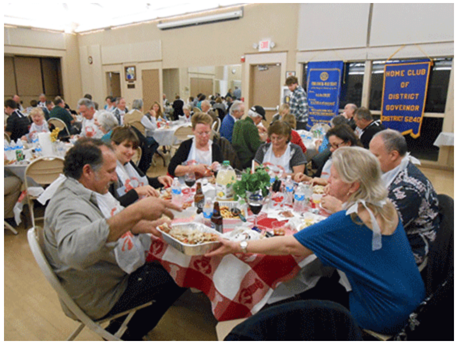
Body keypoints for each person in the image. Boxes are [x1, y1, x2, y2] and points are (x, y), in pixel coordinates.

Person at [207, 147, 425, 335]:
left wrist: (237, 245)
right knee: (320, 281)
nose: (328, 180)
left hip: (381, 312)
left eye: (335, 177)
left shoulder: (350, 221)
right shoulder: (383, 205)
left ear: (354, 186)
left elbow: (288, 245)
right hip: (412, 300)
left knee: (303, 305)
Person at [42, 138, 186, 341]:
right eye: (110, 171)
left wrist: (140, 225)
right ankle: (125, 333)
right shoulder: (68, 205)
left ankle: (128, 327)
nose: (114, 178)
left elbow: (101, 223)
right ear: (87, 171)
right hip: (98, 293)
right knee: (178, 272)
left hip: (101, 277)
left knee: (167, 262)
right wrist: (133, 213)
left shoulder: (85, 190)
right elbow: (74, 253)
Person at [369, 129, 440, 267]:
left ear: (393, 155)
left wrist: (339, 208)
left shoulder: (409, 187)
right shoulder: (391, 170)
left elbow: (379, 228)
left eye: (375, 156)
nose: (370, 161)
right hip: (396, 237)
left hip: (409, 250)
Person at [109, 126, 172, 207]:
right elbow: (111, 205)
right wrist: (136, 192)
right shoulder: (107, 169)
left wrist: (158, 180)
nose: (131, 152)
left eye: (134, 148)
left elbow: (143, 181)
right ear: (113, 145)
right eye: (126, 146)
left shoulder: (127, 162)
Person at [294, 124, 362, 184]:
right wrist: (307, 178)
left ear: (348, 143)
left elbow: (349, 186)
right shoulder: (329, 157)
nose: (331, 149)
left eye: (335, 145)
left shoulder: (357, 163)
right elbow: (317, 178)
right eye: (330, 145)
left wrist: (325, 182)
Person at [168, 113, 223, 178]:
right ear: (193, 130)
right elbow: (172, 169)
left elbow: (222, 172)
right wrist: (194, 168)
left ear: (211, 130)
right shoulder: (186, 146)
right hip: (188, 185)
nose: (204, 136)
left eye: (207, 132)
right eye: (200, 133)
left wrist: (217, 168)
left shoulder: (215, 148)